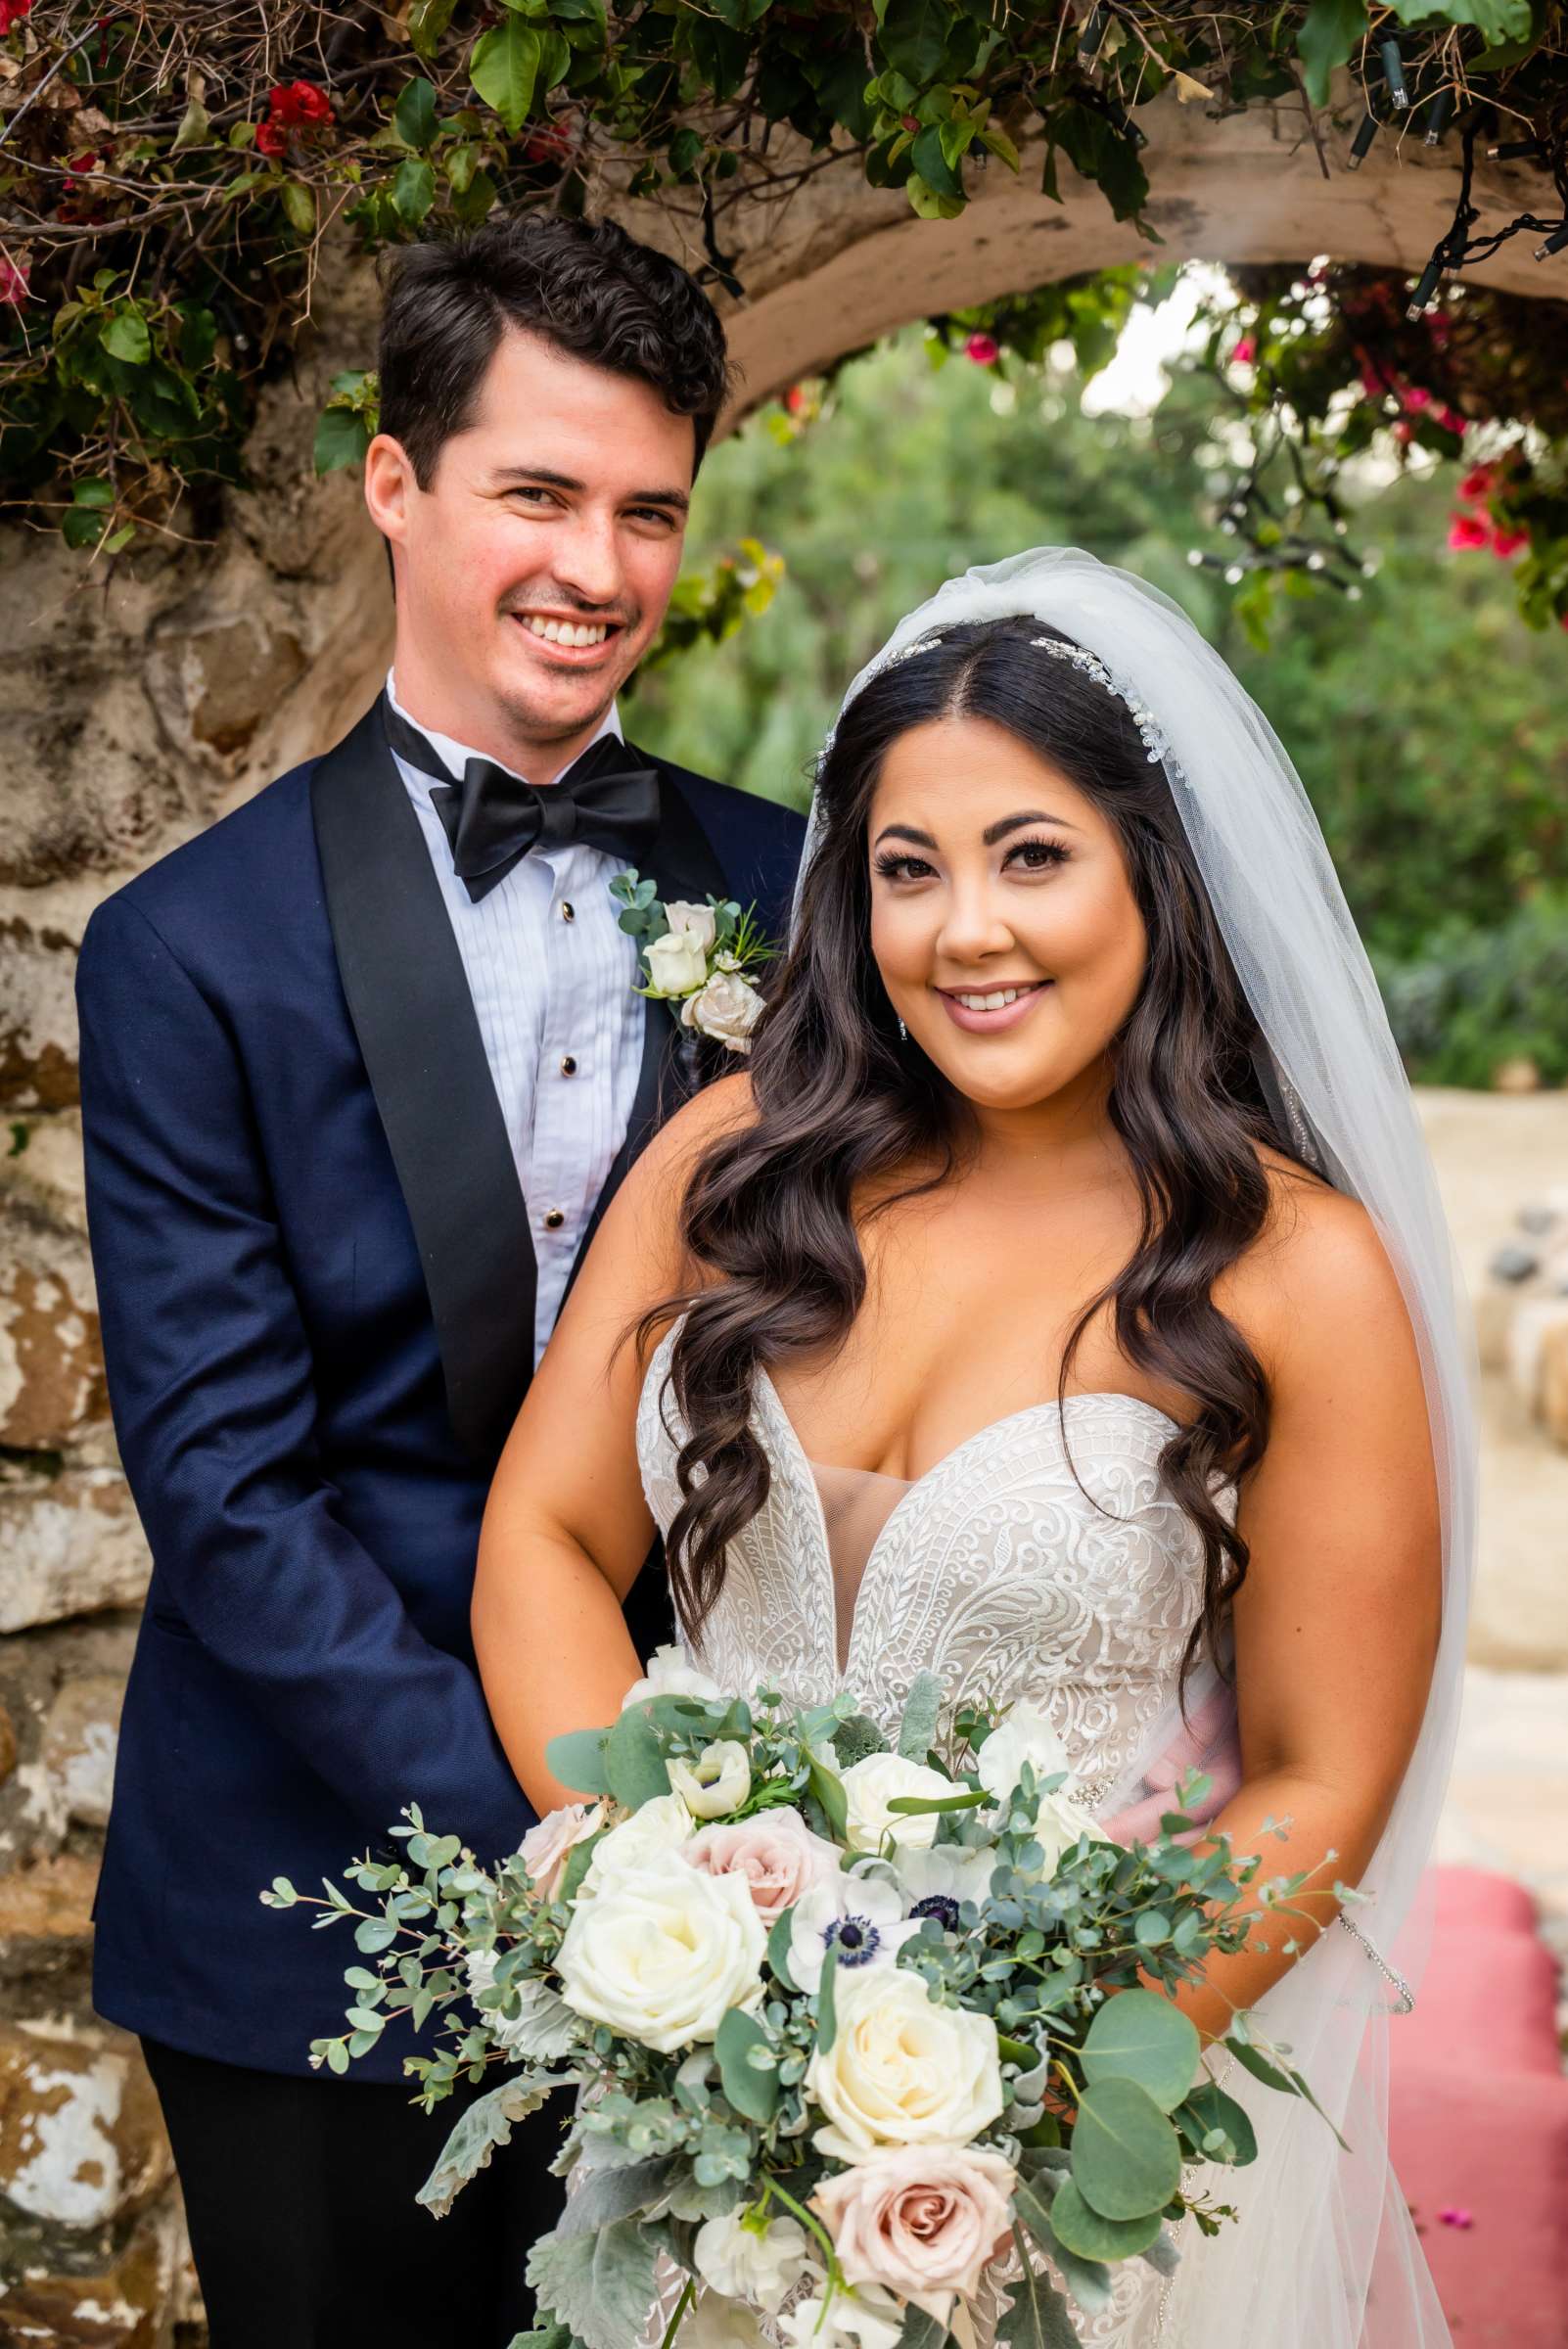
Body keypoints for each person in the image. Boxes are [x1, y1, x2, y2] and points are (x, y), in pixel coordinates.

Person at [472, 549, 1475, 2347]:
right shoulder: (730, 1163)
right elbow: (547, 1539)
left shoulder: (1292, 1270)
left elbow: (1323, 1776)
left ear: (1151, 876)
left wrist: (1010, 2085)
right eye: (905, 870)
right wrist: (665, 1929)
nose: (965, 932)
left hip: (1053, 2166)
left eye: (1032, 857)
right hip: (699, 2135)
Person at [74, 212, 804, 2348]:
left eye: (648, 510)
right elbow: (226, 1501)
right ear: (395, 488)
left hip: (757, 1907)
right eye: (540, 494)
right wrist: (591, 1830)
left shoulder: (807, 892)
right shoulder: (184, 951)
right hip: (316, 1921)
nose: (600, 564)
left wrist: (753, 1853)